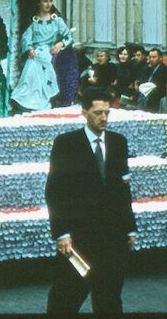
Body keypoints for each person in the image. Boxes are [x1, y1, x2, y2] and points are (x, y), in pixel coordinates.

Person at [45, 89, 136, 314]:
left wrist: (130, 228)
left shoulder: (119, 142)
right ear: (84, 112)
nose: (103, 118)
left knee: (109, 298)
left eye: (107, 113)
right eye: (97, 113)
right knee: (67, 295)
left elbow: (123, 189)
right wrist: (62, 232)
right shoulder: (67, 143)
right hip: (79, 235)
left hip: (112, 235)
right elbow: (55, 190)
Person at [10, 0, 73, 113]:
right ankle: (24, 97)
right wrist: (29, 48)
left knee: (41, 60)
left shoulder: (57, 20)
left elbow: (68, 36)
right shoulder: (34, 21)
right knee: (31, 64)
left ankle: (42, 97)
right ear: (39, 2)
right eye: (45, 1)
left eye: (50, 1)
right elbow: (26, 37)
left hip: (49, 51)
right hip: (36, 51)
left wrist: (60, 44)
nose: (48, 4)